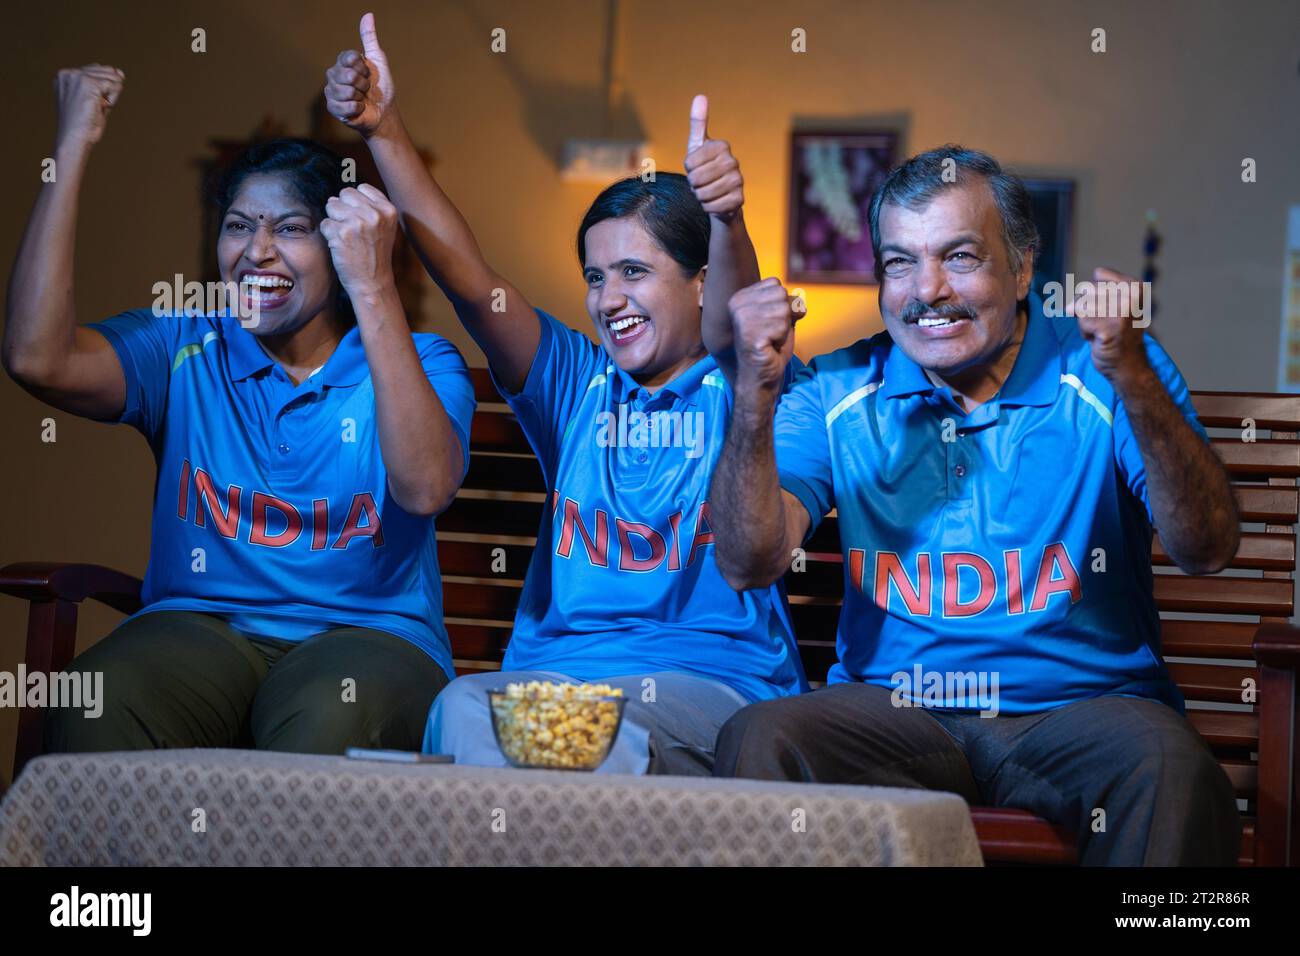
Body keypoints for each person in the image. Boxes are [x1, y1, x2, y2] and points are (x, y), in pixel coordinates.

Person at [707, 145, 1243, 864]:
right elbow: (748, 564)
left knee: (1170, 766)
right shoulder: (839, 389)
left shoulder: (1103, 367)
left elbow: (1206, 547)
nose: (926, 289)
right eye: (899, 262)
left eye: (959, 256)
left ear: (1023, 267)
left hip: (1077, 712)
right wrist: (752, 395)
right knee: (761, 737)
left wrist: (1135, 380)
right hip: (897, 713)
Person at [323, 13, 806, 775]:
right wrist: (384, 128)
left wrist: (727, 219)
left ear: (700, 281)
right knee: (459, 708)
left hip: (710, 687)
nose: (609, 297)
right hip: (548, 676)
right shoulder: (575, 384)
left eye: (635, 272)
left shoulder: (745, 382)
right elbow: (471, 283)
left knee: (584, 733)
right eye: (594, 276)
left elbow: (736, 324)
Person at [3, 63, 475, 754]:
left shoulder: (421, 360)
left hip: (368, 638)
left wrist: (372, 287)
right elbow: (35, 359)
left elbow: (426, 485)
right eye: (239, 227)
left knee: (326, 724)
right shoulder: (182, 343)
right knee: (98, 704)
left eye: (290, 228)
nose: (257, 252)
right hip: (199, 627)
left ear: (341, 247)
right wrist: (71, 144)